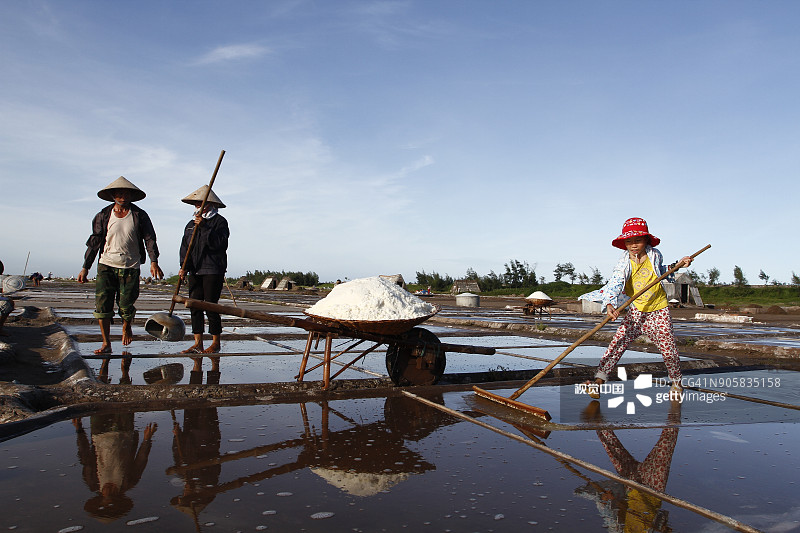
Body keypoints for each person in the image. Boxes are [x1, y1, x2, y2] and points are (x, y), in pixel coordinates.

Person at [579, 218, 693, 398]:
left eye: (638, 240)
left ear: (646, 240)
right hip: (636, 311)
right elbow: (615, 284)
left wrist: (678, 265)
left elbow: (662, 271)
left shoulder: (655, 255)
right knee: (617, 344)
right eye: (629, 241)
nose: (633, 245)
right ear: (624, 243)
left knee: (668, 348)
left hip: (659, 310)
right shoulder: (623, 262)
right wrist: (609, 304)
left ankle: (676, 383)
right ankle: (598, 383)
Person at [78, 176, 163, 354]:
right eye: (119, 194)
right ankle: (106, 342)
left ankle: (126, 325)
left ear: (131, 196)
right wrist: (86, 267)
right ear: (113, 195)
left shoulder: (139, 215)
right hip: (106, 264)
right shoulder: (103, 215)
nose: (123, 197)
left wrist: (154, 261)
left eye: (126, 194)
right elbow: (94, 242)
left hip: (130, 265)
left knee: (126, 304)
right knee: (102, 305)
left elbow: (150, 239)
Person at [178, 185, 229, 380]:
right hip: (195, 269)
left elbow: (220, 244)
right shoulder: (190, 224)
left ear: (210, 204)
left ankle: (215, 342)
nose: (198, 206)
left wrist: (205, 227)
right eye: (197, 203)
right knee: (194, 305)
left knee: (210, 306)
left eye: (202, 203)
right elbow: (185, 247)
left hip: (213, 269)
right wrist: (183, 266)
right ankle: (198, 343)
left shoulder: (219, 222)